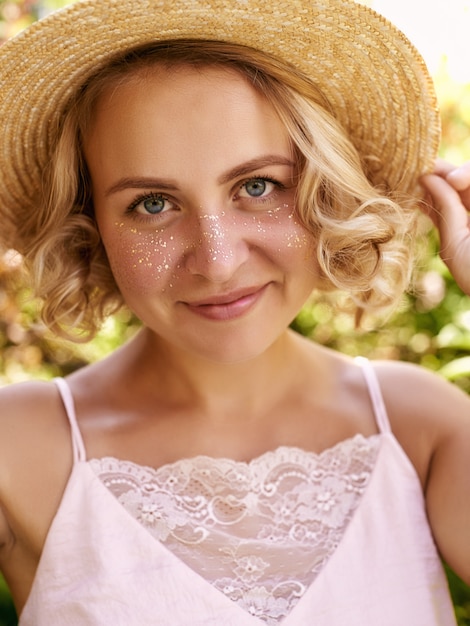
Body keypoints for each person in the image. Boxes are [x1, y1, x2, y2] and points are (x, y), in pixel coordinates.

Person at [0, 0, 468, 624]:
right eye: (153, 203)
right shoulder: (21, 448)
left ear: (322, 191)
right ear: (90, 224)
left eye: (257, 186)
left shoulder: (420, 428)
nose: (217, 262)